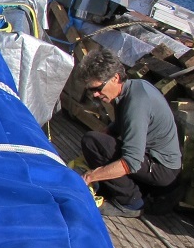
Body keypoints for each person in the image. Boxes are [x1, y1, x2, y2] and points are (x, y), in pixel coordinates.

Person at [76, 49, 182, 218]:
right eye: (91, 90)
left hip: (163, 170)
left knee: (93, 142)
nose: (95, 95)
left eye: (97, 88)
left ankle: (131, 202)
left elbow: (132, 161)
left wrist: (91, 176)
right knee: (96, 142)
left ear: (115, 78)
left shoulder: (137, 104)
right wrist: (104, 136)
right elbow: (118, 125)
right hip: (153, 161)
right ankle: (124, 188)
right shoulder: (131, 88)